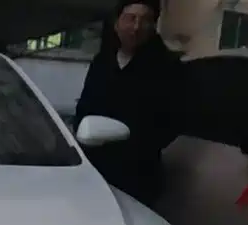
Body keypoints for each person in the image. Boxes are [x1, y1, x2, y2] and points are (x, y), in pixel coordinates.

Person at [75, 0, 184, 209]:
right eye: (130, 19)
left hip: (138, 175)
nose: (136, 27)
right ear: (117, 23)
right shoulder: (102, 62)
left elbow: (173, 120)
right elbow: (85, 107)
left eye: (145, 21)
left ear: (153, 26)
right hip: (96, 170)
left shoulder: (167, 67)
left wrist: (137, 142)